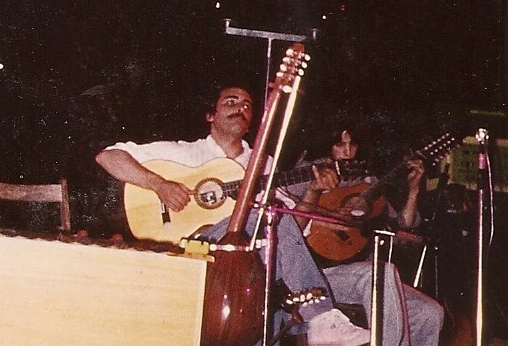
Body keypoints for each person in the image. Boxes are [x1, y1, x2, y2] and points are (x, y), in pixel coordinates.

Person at [95, 84, 371, 345]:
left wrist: (313, 191)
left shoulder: (263, 164)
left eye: (247, 105)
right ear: (210, 115)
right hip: (194, 251)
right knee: (259, 216)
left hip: (249, 268)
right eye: (231, 102)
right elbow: (108, 156)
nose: (241, 108)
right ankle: (321, 317)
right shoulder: (182, 153)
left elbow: (290, 228)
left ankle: (310, 323)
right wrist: (160, 184)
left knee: (269, 220)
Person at [280, 125, 445, 345]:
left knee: (429, 312)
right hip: (317, 274)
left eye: (353, 145)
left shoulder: (366, 180)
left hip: (359, 272)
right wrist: (326, 217)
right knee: (380, 273)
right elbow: (286, 220)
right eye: (340, 145)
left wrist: (413, 189)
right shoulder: (309, 173)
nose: (348, 152)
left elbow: (402, 227)